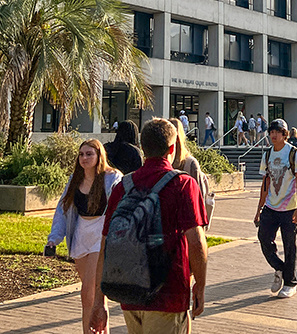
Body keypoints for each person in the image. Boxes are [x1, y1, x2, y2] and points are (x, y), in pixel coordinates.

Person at [90, 118, 209, 334]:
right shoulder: (183, 184)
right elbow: (196, 241)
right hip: (169, 295)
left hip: (129, 292)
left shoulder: (124, 186)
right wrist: (200, 286)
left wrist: (99, 302)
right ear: (172, 148)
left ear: (142, 148)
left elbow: (105, 246)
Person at [47, 139, 123, 334]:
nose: (84, 158)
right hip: (81, 234)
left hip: (102, 234)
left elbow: (121, 206)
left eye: (89, 154)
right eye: (81, 154)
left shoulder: (112, 178)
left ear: (99, 156)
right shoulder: (75, 179)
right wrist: (54, 238)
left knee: (88, 292)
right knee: (95, 294)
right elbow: (62, 210)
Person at [254, 119, 297, 298]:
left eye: (278, 132)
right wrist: (258, 209)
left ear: (285, 134)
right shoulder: (267, 154)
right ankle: (281, 268)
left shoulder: (293, 154)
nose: (273, 135)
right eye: (271, 132)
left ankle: (290, 282)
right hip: (270, 206)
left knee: (290, 244)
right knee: (263, 237)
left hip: (289, 207)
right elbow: (265, 183)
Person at [170, 118, 215, 229]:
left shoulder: (190, 163)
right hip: (187, 224)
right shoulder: (190, 163)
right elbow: (200, 198)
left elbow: (199, 198)